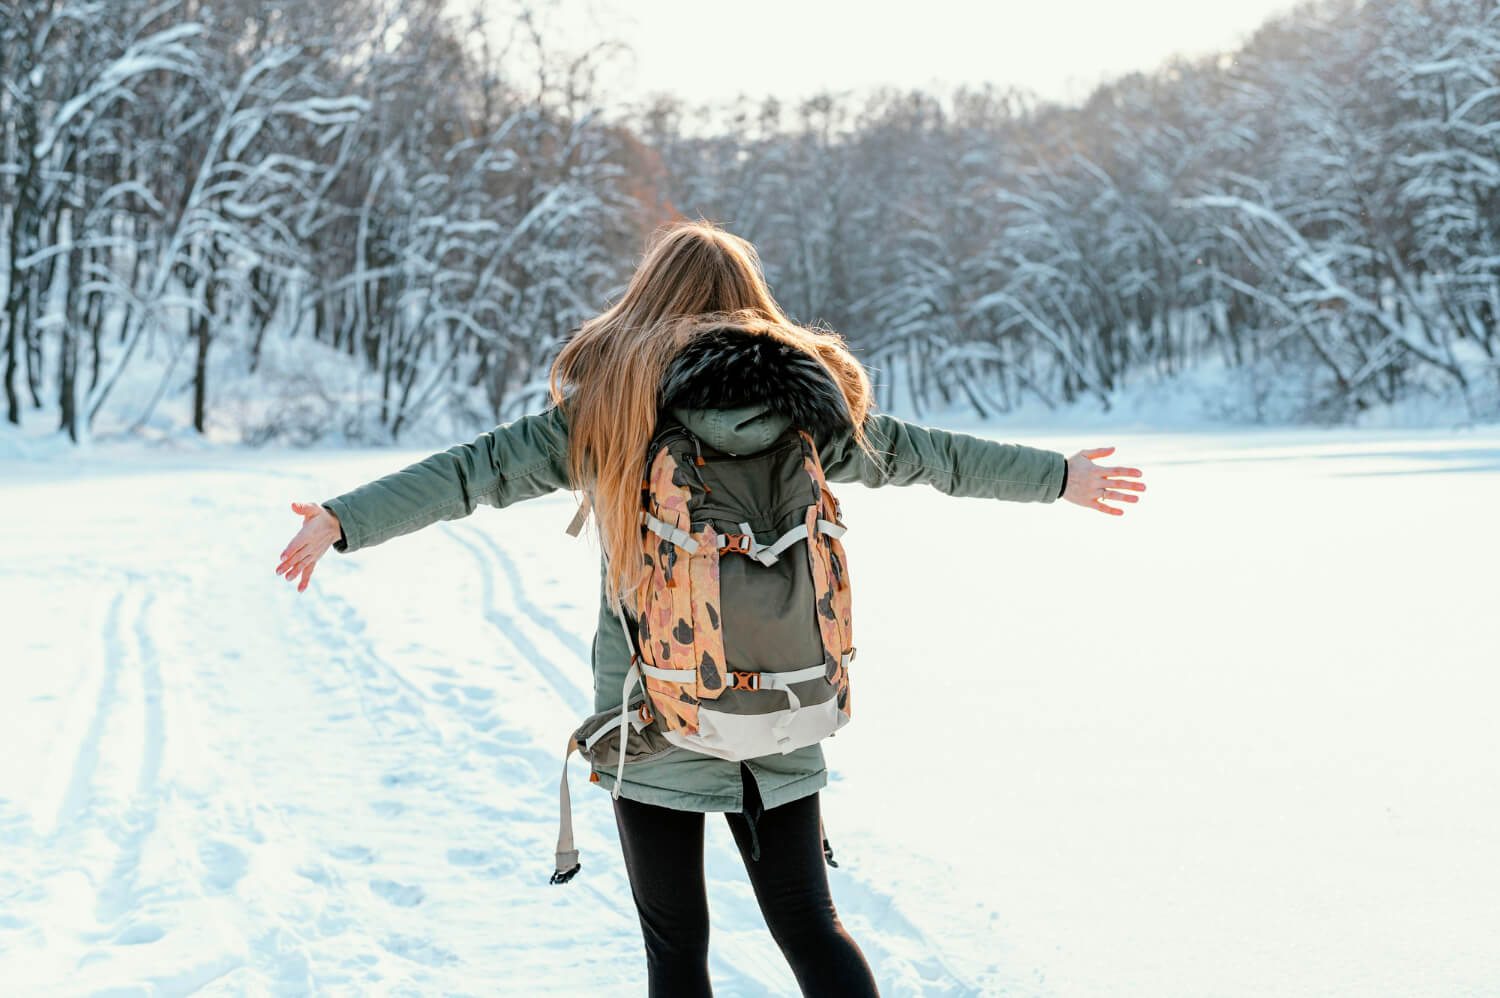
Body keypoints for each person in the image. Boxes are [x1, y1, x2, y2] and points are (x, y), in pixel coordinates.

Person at [275, 221, 1146, 997]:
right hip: (784, 699)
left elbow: (469, 473)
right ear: (752, 304)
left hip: (655, 712)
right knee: (810, 928)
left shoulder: (610, 412)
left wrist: (344, 520)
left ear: (648, 299)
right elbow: (927, 455)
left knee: (677, 948)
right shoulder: (808, 408)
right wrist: (1059, 476)